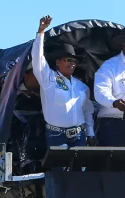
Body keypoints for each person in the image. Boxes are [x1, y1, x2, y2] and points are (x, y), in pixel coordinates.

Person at [32, 15, 96, 148]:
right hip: (56, 137)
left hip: (79, 136)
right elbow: (38, 60)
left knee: (80, 169)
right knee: (59, 169)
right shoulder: (49, 79)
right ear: (58, 62)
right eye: (68, 60)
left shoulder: (82, 87)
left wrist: (90, 133)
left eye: (74, 61)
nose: (72, 64)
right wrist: (41, 32)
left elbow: (88, 111)